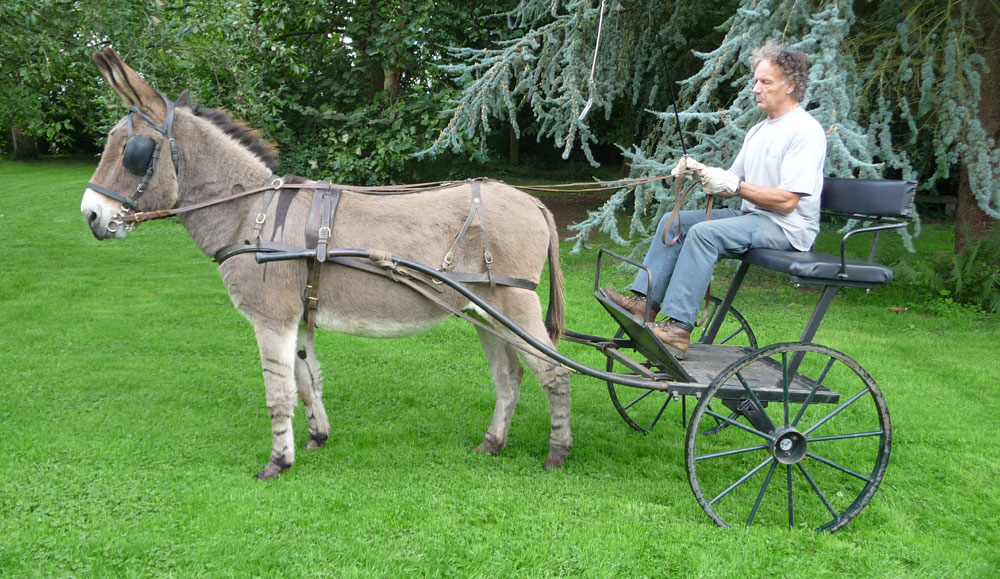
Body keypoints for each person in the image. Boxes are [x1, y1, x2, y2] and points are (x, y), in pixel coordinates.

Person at [603, 40, 827, 358]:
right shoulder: (759, 131)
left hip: (788, 228)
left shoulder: (804, 131)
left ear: (790, 85)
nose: (756, 89)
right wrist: (701, 173)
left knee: (704, 234)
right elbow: (729, 185)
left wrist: (734, 185)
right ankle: (644, 305)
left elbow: (787, 201)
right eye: (756, 81)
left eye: (765, 82)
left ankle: (678, 328)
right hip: (755, 217)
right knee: (673, 222)